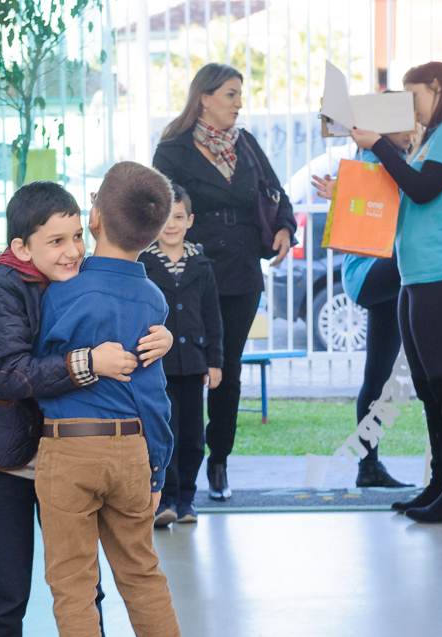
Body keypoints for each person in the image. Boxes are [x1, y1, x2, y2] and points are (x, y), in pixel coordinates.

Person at [0, 181, 174, 637]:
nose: (73, 250)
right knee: (7, 588)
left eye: (77, 235)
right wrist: (87, 363)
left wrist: (162, 336)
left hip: (70, 456)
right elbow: (6, 374)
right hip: (9, 456)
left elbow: (125, 319)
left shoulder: (76, 278)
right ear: (22, 248)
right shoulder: (1, 287)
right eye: (56, 241)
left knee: (83, 584)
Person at [33, 162, 205, 637]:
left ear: (95, 217)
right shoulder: (153, 296)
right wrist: (157, 472)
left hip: (69, 449)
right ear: (157, 232)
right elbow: (156, 400)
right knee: (143, 578)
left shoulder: (59, 294)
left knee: (74, 590)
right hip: (134, 447)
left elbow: (38, 372)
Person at [349, 62, 442, 524]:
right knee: (432, 390)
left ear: (437, 88)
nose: (408, 108)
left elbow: (424, 189)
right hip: (419, 279)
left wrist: (380, 147)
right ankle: (441, 485)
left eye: (413, 97)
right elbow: (403, 198)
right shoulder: (433, 139)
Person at [153, 63, 296, 502]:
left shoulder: (247, 144)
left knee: (225, 368)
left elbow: (276, 192)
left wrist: (286, 228)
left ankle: (220, 461)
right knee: (181, 369)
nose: (239, 103)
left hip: (240, 271)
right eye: (231, 94)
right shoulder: (172, 149)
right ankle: (176, 472)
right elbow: (158, 206)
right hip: (187, 274)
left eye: (239, 94)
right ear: (205, 99)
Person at [310, 133, 416, 489]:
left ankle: (368, 468)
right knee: (422, 254)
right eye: (406, 124)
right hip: (369, 272)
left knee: (378, 377)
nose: (412, 130)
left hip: (387, 279)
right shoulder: (374, 157)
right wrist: (345, 192)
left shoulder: (409, 154)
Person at [139, 184, 224, 526]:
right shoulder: (143, 264)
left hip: (193, 366)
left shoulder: (202, 265)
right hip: (158, 368)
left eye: (178, 217)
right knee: (164, 432)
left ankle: (187, 499)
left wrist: (215, 361)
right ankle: (165, 499)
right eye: (164, 218)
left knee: (193, 436)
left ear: (189, 220)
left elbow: (213, 317)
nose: (171, 225)